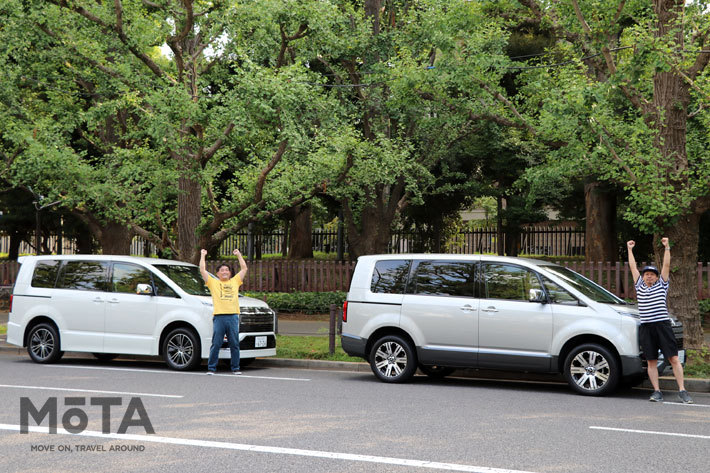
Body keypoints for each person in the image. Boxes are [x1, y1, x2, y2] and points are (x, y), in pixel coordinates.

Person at [627, 238, 693, 403]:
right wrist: (630, 249)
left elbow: (666, 266)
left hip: (662, 326)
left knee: (674, 358)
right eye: (646, 274)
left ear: (657, 277)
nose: (649, 277)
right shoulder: (639, 286)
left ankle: (682, 390)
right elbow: (632, 267)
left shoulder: (662, 285)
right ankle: (656, 391)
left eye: (652, 274)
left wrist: (667, 248)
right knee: (651, 360)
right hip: (647, 327)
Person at [199, 248, 248, 375]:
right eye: (222, 270)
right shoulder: (213, 283)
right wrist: (203, 255)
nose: (225, 272)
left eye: (227, 270)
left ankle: (235, 368)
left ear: (230, 273)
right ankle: (211, 368)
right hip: (219, 317)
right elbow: (202, 270)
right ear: (218, 273)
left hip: (233, 316)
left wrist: (239, 255)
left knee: (234, 344)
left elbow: (244, 269)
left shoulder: (235, 281)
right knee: (216, 343)